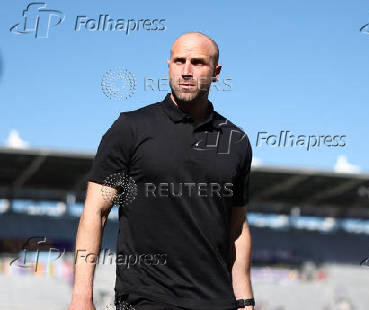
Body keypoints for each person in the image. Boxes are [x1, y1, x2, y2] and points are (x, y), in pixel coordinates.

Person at [68, 31, 255, 310]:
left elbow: (237, 227)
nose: (187, 71)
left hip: (217, 302)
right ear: (169, 66)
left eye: (198, 63)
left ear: (216, 73)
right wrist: (82, 297)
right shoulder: (130, 128)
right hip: (146, 299)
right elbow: (96, 212)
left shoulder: (235, 141)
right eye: (179, 61)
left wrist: (245, 300)